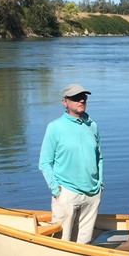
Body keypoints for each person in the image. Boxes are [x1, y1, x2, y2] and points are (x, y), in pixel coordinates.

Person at [39, 83, 103, 243]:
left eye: (84, 98)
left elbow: (99, 157)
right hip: (66, 193)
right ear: (65, 102)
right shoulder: (55, 127)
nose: (81, 100)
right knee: (61, 242)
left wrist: (100, 183)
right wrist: (56, 190)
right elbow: (44, 163)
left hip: (92, 193)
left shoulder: (92, 125)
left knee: (85, 244)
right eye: (76, 98)